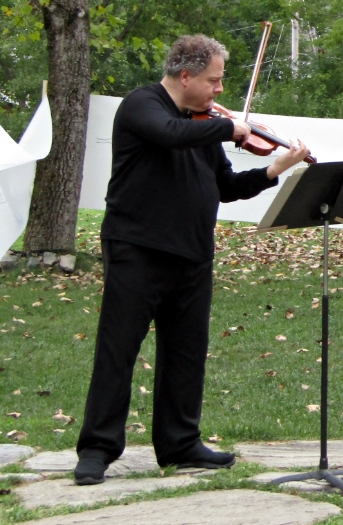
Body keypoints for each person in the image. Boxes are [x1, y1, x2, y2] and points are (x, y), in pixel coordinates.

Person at [74, 35, 309, 485]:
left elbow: (224, 186)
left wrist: (274, 169)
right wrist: (227, 128)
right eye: (213, 80)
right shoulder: (142, 106)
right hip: (138, 250)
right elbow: (169, 135)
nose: (220, 91)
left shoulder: (203, 124)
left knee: (186, 354)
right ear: (186, 76)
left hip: (192, 253)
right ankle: (97, 449)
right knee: (117, 351)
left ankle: (180, 443)